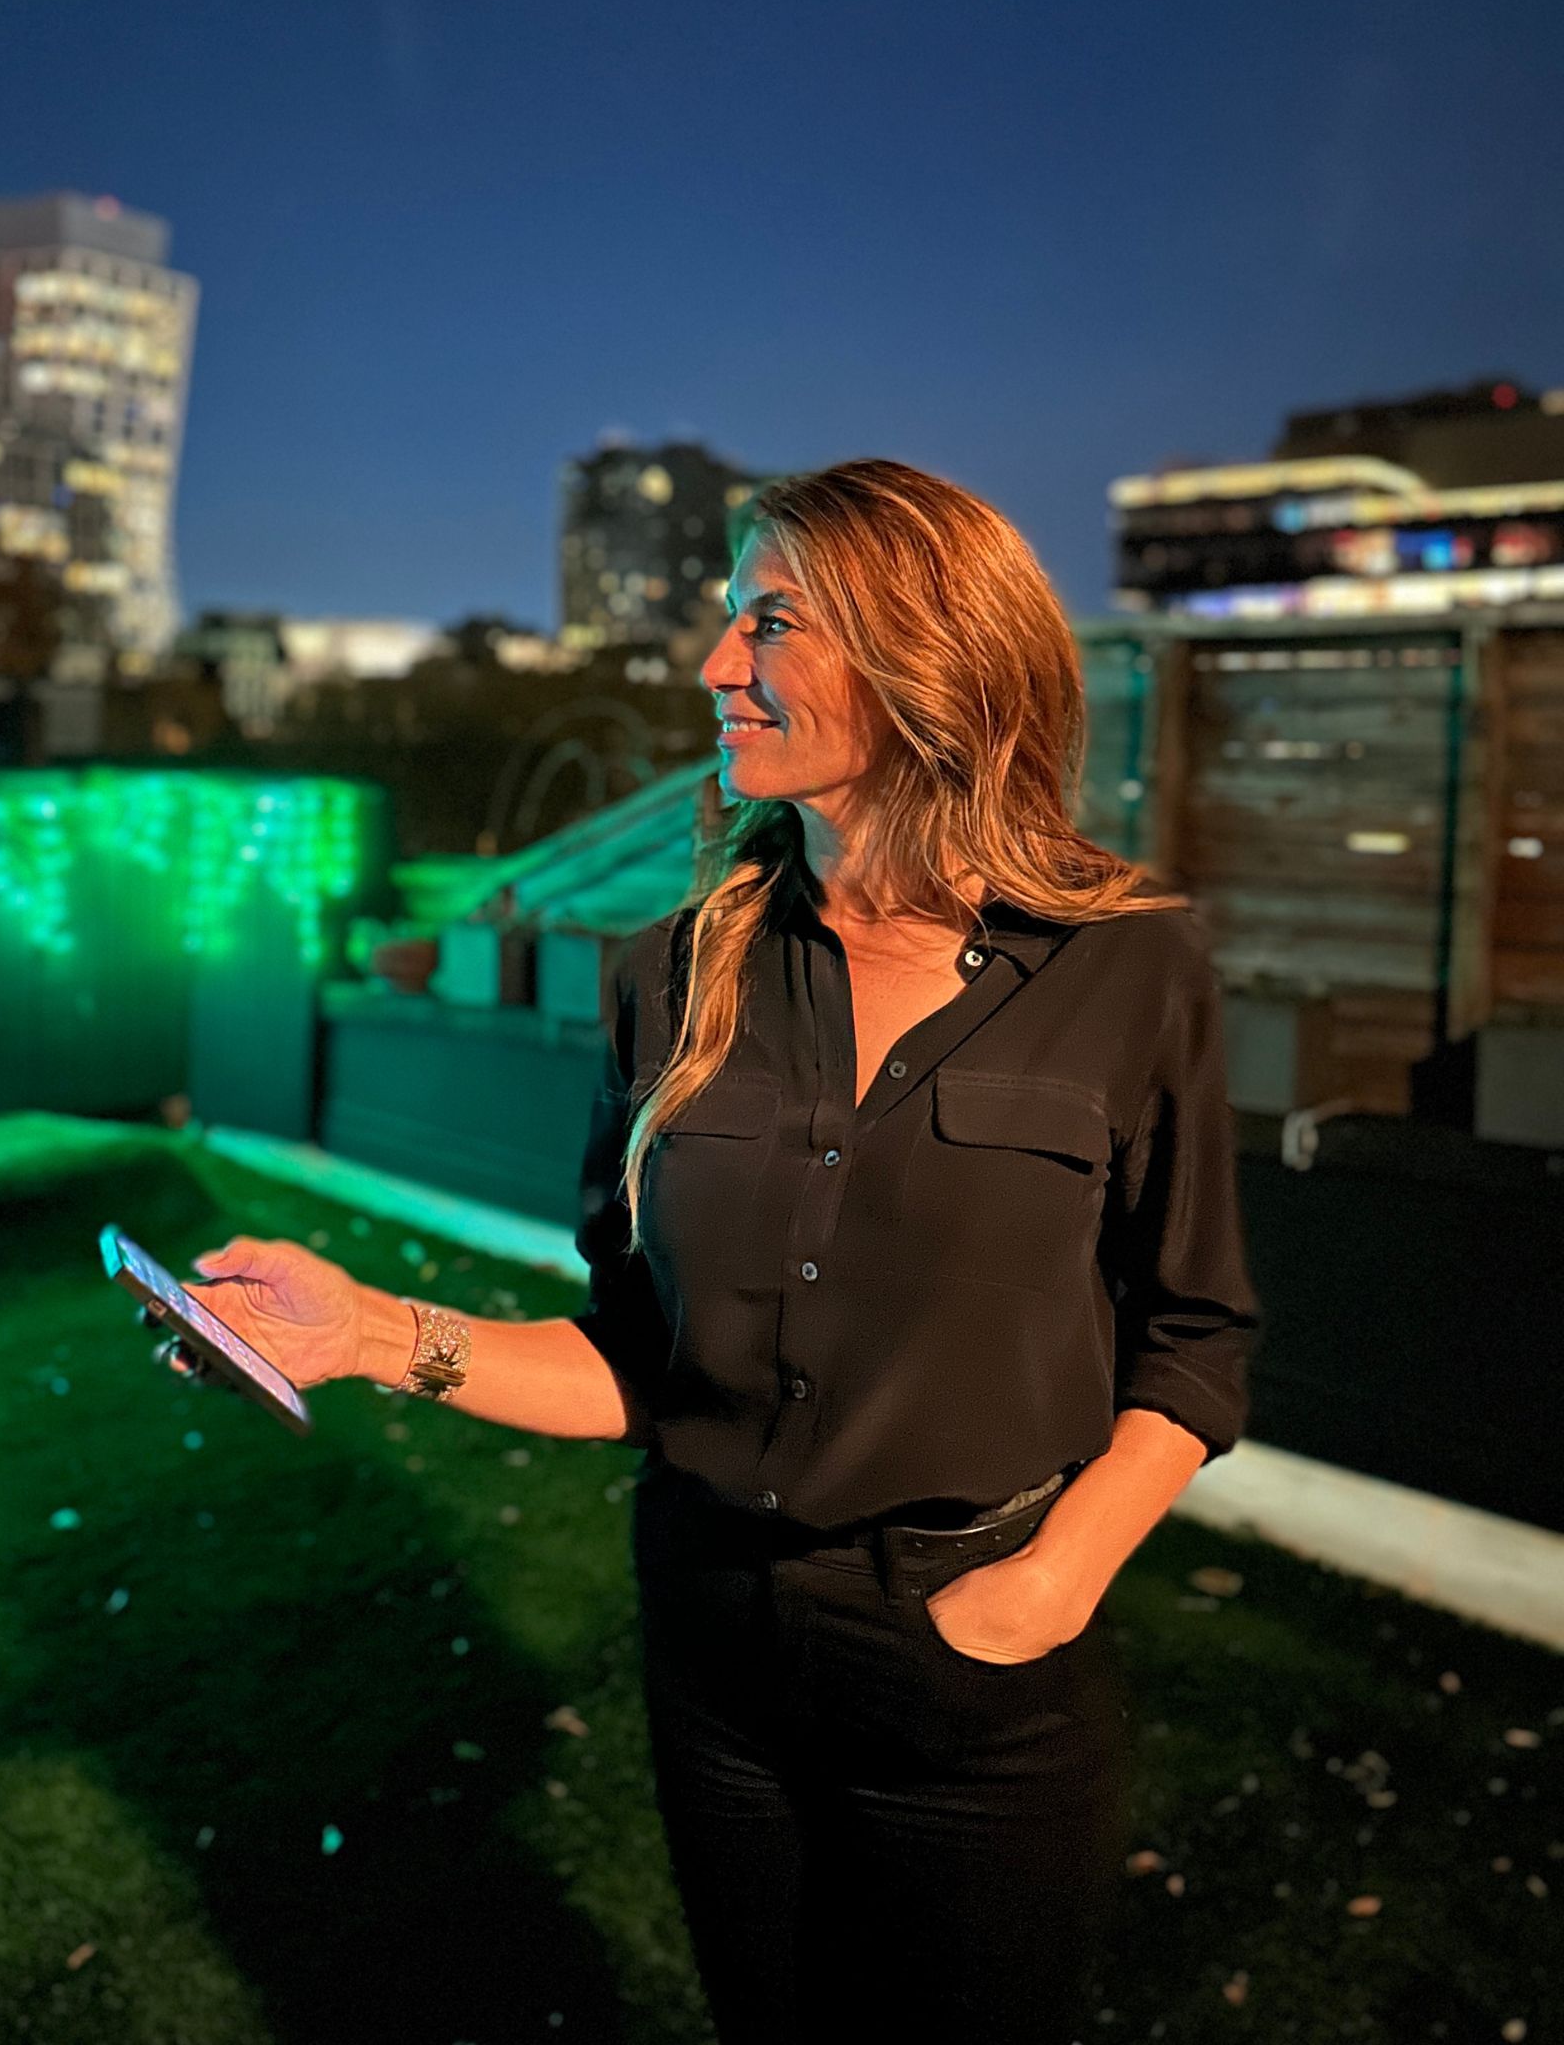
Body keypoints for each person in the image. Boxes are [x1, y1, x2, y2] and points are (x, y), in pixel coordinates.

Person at [158, 458, 1261, 2044]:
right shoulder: (667, 977)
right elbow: (638, 1361)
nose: (712, 670)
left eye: (768, 623)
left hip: (980, 1668)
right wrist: (366, 1332)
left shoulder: (1131, 970)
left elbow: (1197, 1334)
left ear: (923, 657)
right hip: (717, 1658)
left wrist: (1047, 1585)